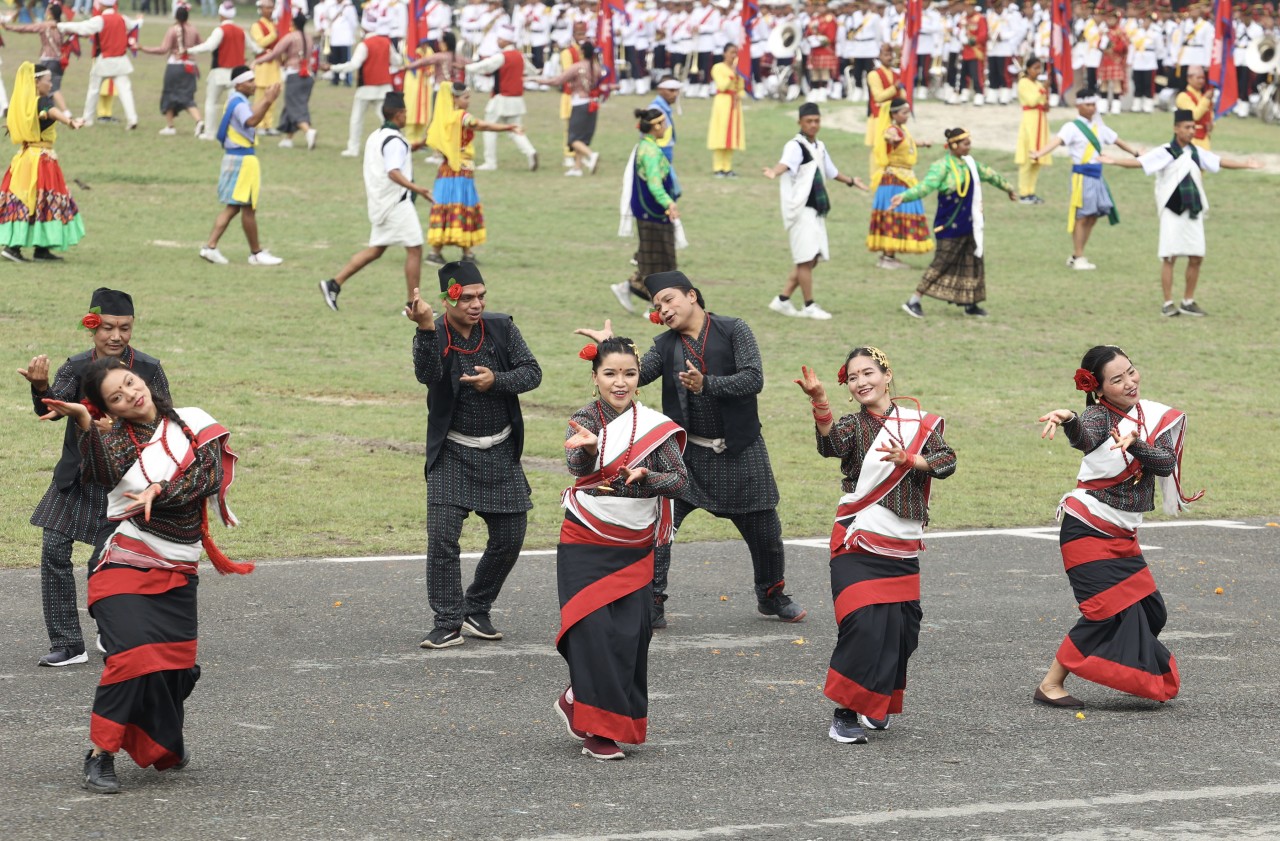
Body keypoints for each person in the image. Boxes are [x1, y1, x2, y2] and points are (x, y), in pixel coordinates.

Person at [39, 356, 251, 794]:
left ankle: (162, 736)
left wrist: (161, 488)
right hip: (123, 562)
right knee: (132, 659)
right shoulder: (114, 440)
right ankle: (100, 755)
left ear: (144, 381)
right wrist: (82, 423)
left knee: (176, 672)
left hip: (178, 567)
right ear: (110, 410)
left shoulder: (193, 423)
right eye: (116, 397)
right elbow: (102, 472)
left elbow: (207, 477)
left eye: (131, 384)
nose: (131, 395)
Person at [574, 271, 807, 630]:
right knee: (661, 529)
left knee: (766, 533)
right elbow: (636, 372)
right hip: (688, 457)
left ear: (692, 296)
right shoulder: (666, 345)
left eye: (669, 300)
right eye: (657, 306)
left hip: (742, 451)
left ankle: (771, 595)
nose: (664, 310)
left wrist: (706, 383)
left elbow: (753, 378)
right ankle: (652, 601)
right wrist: (610, 347)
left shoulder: (734, 329)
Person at [794, 346, 955, 744]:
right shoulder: (852, 425)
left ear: (886, 375)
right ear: (848, 388)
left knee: (903, 634)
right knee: (863, 627)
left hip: (901, 550)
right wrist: (819, 403)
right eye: (852, 377)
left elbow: (947, 461)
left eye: (868, 372)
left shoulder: (921, 423)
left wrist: (911, 460)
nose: (862, 381)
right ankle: (844, 713)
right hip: (858, 543)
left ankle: (874, 701)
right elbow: (830, 445)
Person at [1034, 345, 1202, 709]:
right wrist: (1068, 419)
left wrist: (1137, 443)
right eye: (1117, 379)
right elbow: (1085, 437)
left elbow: (1164, 463)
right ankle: (1050, 684)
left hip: (1123, 536)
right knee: (1103, 612)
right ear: (1098, 389)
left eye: (1131, 371)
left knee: (1151, 612)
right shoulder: (1097, 417)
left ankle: (1119, 659)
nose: (1129, 382)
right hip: (1087, 529)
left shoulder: (1153, 416)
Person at [19, 288, 169, 668]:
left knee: (103, 561)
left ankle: (110, 626)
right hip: (76, 475)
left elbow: (164, 423)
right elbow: (52, 408)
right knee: (53, 551)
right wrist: (41, 389)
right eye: (106, 328)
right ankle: (68, 644)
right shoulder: (76, 366)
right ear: (92, 327)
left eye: (124, 328)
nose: (115, 336)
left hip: (124, 481)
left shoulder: (148, 370)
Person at [555, 337, 688, 761]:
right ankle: (598, 731)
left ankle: (581, 699)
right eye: (610, 373)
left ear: (638, 378)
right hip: (586, 538)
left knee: (630, 635)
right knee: (592, 632)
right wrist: (591, 451)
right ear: (595, 378)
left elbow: (680, 481)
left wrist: (647, 475)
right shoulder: (584, 418)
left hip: (635, 543)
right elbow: (576, 469)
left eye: (629, 373)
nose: (620, 382)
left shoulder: (654, 425)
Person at [407, 261, 543, 649]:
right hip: (452, 451)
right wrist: (425, 328)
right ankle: (447, 621)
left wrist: (496, 380)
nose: (476, 304)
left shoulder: (502, 328)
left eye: (481, 295)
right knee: (443, 538)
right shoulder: (433, 331)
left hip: (500, 450)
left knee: (511, 536)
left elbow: (532, 372)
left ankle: (476, 607)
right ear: (448, 299)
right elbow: (427, 374)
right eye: (467, 297)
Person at [1099, 109, 1261, 318]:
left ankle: (1188, 301)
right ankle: (1168, 303)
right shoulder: (1166, 151)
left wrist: (1246, 165)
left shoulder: (1196, 152)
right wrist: (1115, 161)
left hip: (1193, 210)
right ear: (1176, 129)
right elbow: (1141, 163)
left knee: (1196, 256)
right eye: (1187, 127)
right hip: (1172, 211)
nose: (1191, 131)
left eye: (1193, 127)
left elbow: (1218, 161)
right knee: (1169, 256)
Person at [319, 91, 433, 312]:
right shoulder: (395, 141)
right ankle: (413, 305)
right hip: (396, 203)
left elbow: (389, 158)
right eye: (405, 112)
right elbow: (393, 171)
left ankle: (333, 284)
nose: (407, 116)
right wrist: (416, 187)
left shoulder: (377, 136)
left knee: (376, 250)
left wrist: (416, 146)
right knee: (415, 249)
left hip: (380, 202)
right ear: (399, 114)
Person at [892, 127, 1017, 319]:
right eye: (966, 143)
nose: (969, 147)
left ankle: (971, 303)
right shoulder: (942, 166)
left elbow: (991, 175)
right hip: (949, 223)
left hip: (970, 222)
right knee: (942, 262)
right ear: (954, 145)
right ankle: (913, 301)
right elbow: (926, 186)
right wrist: (904, 196)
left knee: (973, 261)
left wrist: (1008, 188)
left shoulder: (971, 165)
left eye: (969, 143)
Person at [762, 102, 868, 322]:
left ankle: (782, 300)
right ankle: (809, 305)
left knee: (811, 259)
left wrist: (851, 181)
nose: (813, 125)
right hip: (801, 209)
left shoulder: (819, 145)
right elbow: (785, 163)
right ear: (799, 122)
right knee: (805, 259)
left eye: (816, 120)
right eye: (809, 121)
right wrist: (774, 171)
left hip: (816, 209)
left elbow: (830, 171)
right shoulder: (795, 146)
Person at [1029, 88, 1140, 271]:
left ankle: (1076, 254)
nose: (1092, 108)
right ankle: (1079, 255)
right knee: (1082, 216)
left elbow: (1118, 141)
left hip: (1097, 176)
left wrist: (1136, 153)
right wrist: (1039, 153)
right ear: (1078, 105)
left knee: (1093, 216)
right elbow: (1056, 142)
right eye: (1088, 105)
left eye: (1094, 105)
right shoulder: (1071, 127)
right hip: (1082, 177)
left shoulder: (1099, 127)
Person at [423, 82, 524, 264]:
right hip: (460, 172)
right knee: (462, 208)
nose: (468, 101)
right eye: (465, 97)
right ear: (454, 99)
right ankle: (461, 254)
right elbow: (481, 125)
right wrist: (508, 127)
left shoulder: (442, 118)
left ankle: (444, 253)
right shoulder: (461, 117)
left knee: (448, 207)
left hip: (446, 171)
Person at [198, 65, 284, 266]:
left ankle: (211, 247)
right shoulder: (239, 102)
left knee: (235, 207)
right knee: (245, 208)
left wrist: (265, 101)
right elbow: (252, 120)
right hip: (243, 161)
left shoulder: (236, 100)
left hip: (237, 159)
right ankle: (255, 253)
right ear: (239, 84)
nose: (254, 85)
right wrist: (268, 100)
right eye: (250, 81)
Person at [0, 63, 86, 263]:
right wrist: (70, 121)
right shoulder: (40, 102)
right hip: (40, 160)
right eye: (48, 81)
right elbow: (50, 111)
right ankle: (14, 248)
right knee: (39, 200)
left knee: (36, 200)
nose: (51, 84)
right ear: (37, 83)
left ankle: (41, 248)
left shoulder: (23, 103)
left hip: (26, 158)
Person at [614, 107, 682, 314]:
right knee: (660, 261)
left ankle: (631, 290)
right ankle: (652, 305)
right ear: (656, 127)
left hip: (649, 212)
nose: (667, 127)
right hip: (653, 212)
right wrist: (668, 203)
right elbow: (654, 184)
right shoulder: (650, 151)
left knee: (655, 258)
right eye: (664, 123)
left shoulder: (646, 146)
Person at [866, 98, 933, 271]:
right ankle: (888, 257)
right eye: (904, 113)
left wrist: (922, 143)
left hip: (902, 178)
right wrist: (891, 137)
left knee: (898, 215)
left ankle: (889, 256)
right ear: (894, 114)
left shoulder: (902, 130)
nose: (907, 116)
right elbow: (889, 137)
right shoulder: (891, 130)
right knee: (895, 215)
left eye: (907, 112)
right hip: (895, 180)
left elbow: (906, 142)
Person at [464, 24, 540, 171]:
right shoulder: (519, 56)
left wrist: (467, 67)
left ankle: (490, 162)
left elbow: (485, 66)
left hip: (502, 98)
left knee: (488, 128)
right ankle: (530, 151)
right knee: (515, 129)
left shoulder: (502, 56)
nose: (498, 41)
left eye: (500, 38)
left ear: (505, 40)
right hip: (517, 99)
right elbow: (531, 70)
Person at [326, 17, 402, 157]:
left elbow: (354, 65)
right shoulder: (386, 42)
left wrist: (332, 68)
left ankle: (353, 148)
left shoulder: (365, 44)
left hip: (366, 87)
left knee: (357, 119)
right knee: (386, 120)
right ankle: (396, 145)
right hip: (384, 87)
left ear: (364, 29)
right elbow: (397, 60)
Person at [55, 0, 139, 129]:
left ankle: (87, 119)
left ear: (103, 5)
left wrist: (62, 26)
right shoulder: (122, 18)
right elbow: (135, 25)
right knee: (125, 91)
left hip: (104, 60)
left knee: (94, 90)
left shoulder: (100, 20)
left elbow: (82, 28)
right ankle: (132, 119)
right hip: (121, 60)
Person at [187, 0, 252, 142]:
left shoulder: (220, 30)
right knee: (235, 105)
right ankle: (237, 131)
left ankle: (210, 133)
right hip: (237, 75)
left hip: (219, 72)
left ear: (221, 15)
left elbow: (209, 46)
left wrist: (189, 50)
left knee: (211, 102)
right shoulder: (242, 31)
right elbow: (255, 47)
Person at [539, 39, 604, 176]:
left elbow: (558, 81)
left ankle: (591, 155)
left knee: (573, 138)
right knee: (581, 137)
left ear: (582, 52)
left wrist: (540, 81)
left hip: (579, 103)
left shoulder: (578, 67)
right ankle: (577, 167)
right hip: (593, 102)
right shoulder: (597, 67)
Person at [253, 10, 317, 149]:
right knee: (294, 105)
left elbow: (275, 53)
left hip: (294, 74)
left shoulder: (291, 37)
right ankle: (288, 138)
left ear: (293, 23)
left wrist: (258, 61)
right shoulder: (309, 37)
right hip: (308, 76)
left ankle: (308, 130)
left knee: (294, 107)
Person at [138, 5, 204, 137]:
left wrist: (143, 48)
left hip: (175, 66)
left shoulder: (172, 30)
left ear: (175, 16)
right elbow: (202, 45)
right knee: (187, 97)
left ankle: (170, 126)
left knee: (168, 95)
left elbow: (163, 49)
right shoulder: (193, 30)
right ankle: (199, 121)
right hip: (190, 66)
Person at [2, 2, 70, 110]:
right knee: (51, 88)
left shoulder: (45, 26)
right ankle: (51, 114)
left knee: (51, 88)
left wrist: (8, 27)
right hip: (59, 61)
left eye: (47, 10)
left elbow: (26, 29)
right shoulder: (62, 26)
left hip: (47, 60)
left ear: (50, 14)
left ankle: (66, 114)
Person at [1014, 56, 1050, 204]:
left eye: (1039, 68)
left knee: (1038, 159)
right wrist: (1043, 89)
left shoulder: (1038, 84)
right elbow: (1032, 100)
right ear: (1028, 69)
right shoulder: (1023, 83)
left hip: (1040, 119)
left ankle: (1031, 191)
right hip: (1030, 120)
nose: (1038, 71)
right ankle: (1023, 192)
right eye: (1035, 68)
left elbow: (1043, 102)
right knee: (1028, 158)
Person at [706, 42, 744, 177]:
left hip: (734, 104)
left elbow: (741, 86)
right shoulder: (718, 68)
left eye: (735, 53)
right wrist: (732, 74)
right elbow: (722, 86)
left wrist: (740, 93)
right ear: (725, 53)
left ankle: (728, 167)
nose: (734, 56)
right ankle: (718, 167)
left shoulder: (738, 69)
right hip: (722, 103)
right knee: (720, 134)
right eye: (731, 52)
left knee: (732, 135)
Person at [249, 0, 282, 133]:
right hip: (262, 64)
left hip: (274, 64)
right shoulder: (257, 26)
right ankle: (259, 123)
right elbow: (261, 42)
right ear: (261, 9)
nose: (270, 10)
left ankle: (269, 124)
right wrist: (274, 35)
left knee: (273, 93)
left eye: (271, 7)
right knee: (261, 95)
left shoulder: (274, 24)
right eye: (267, 8)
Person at [1173, 65, 1213, 150]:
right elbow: (1194, 115)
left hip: (1204, 138)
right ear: (1189, 79)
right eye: (1198, 78)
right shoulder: (1183, 96)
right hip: (1189, 139)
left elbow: (1210, 115)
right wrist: (1206, 99)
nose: (1201, 81)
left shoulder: (1203, 96)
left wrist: (1212, 125)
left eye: (1203, 78)